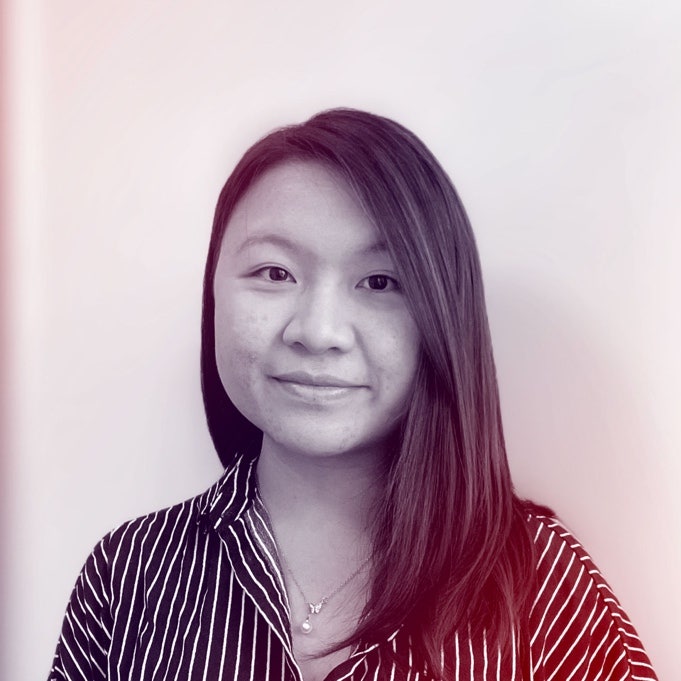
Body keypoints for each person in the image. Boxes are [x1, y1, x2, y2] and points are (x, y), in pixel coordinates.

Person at [48, 109, 657, 681]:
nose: (318, 332)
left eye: (380, 281)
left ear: (441, 317)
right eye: (274, 272)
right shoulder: (128, 576)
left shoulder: (539, 576)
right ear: (214, 295)